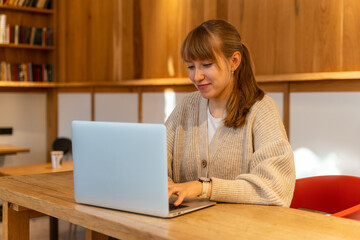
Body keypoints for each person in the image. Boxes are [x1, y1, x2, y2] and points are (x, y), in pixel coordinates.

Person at [166, 19, 295, 207]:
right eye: (191, 66)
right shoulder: (187, 106)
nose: (196, 76)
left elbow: (275, 189)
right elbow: (154, 164)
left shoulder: (261, 111)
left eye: (207, 65)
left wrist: (204, 188)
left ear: (234, 61)